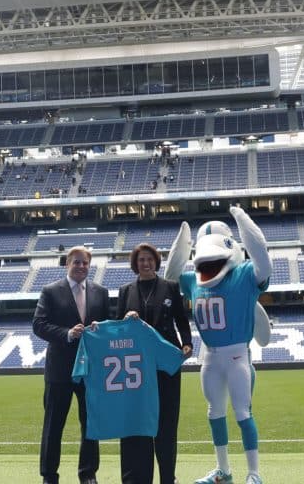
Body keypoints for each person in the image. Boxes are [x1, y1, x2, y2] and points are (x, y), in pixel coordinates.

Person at [165, 207, 272, 484]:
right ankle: (223, 471)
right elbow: (170, 279)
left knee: (243, 413)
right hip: (209, 357)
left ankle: (254, 473)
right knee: (214, 413)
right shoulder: (193, 281)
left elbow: (263, 262)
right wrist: (183, 243)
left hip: (237, 356)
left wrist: (242, 220)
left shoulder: (244, 275)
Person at [72, 317, 186, 484]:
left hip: (111, 413)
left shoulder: (93, 335)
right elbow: (173, 359)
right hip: (141, 409)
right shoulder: (144, 332)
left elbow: (77, 374)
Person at [116, 243, 194, 484]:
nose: (146, 263)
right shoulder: (125, 290)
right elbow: (119, 328)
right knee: (139, 422)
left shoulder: (171, 287)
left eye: (149, 259)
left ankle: (168, 477)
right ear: (135, 263)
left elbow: (182, 321)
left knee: (167, 423)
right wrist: (126, 319)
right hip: (137, 367)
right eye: (141, 260)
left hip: (165, 364)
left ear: (156, 262)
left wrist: (187, 344)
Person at [33, 246, 110, 484]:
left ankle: (88, 474)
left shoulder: (101, 292)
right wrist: (67, 333)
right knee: (53, 425)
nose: (81, 267)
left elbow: (107, 325)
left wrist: (102, 328)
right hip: (60, 371)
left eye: (85, 263)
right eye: (77, 262)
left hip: (90, 371)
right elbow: (39, 324)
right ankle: (49, 475)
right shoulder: (50, 291)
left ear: (90, 265)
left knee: (90, 425)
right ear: (68, 264)